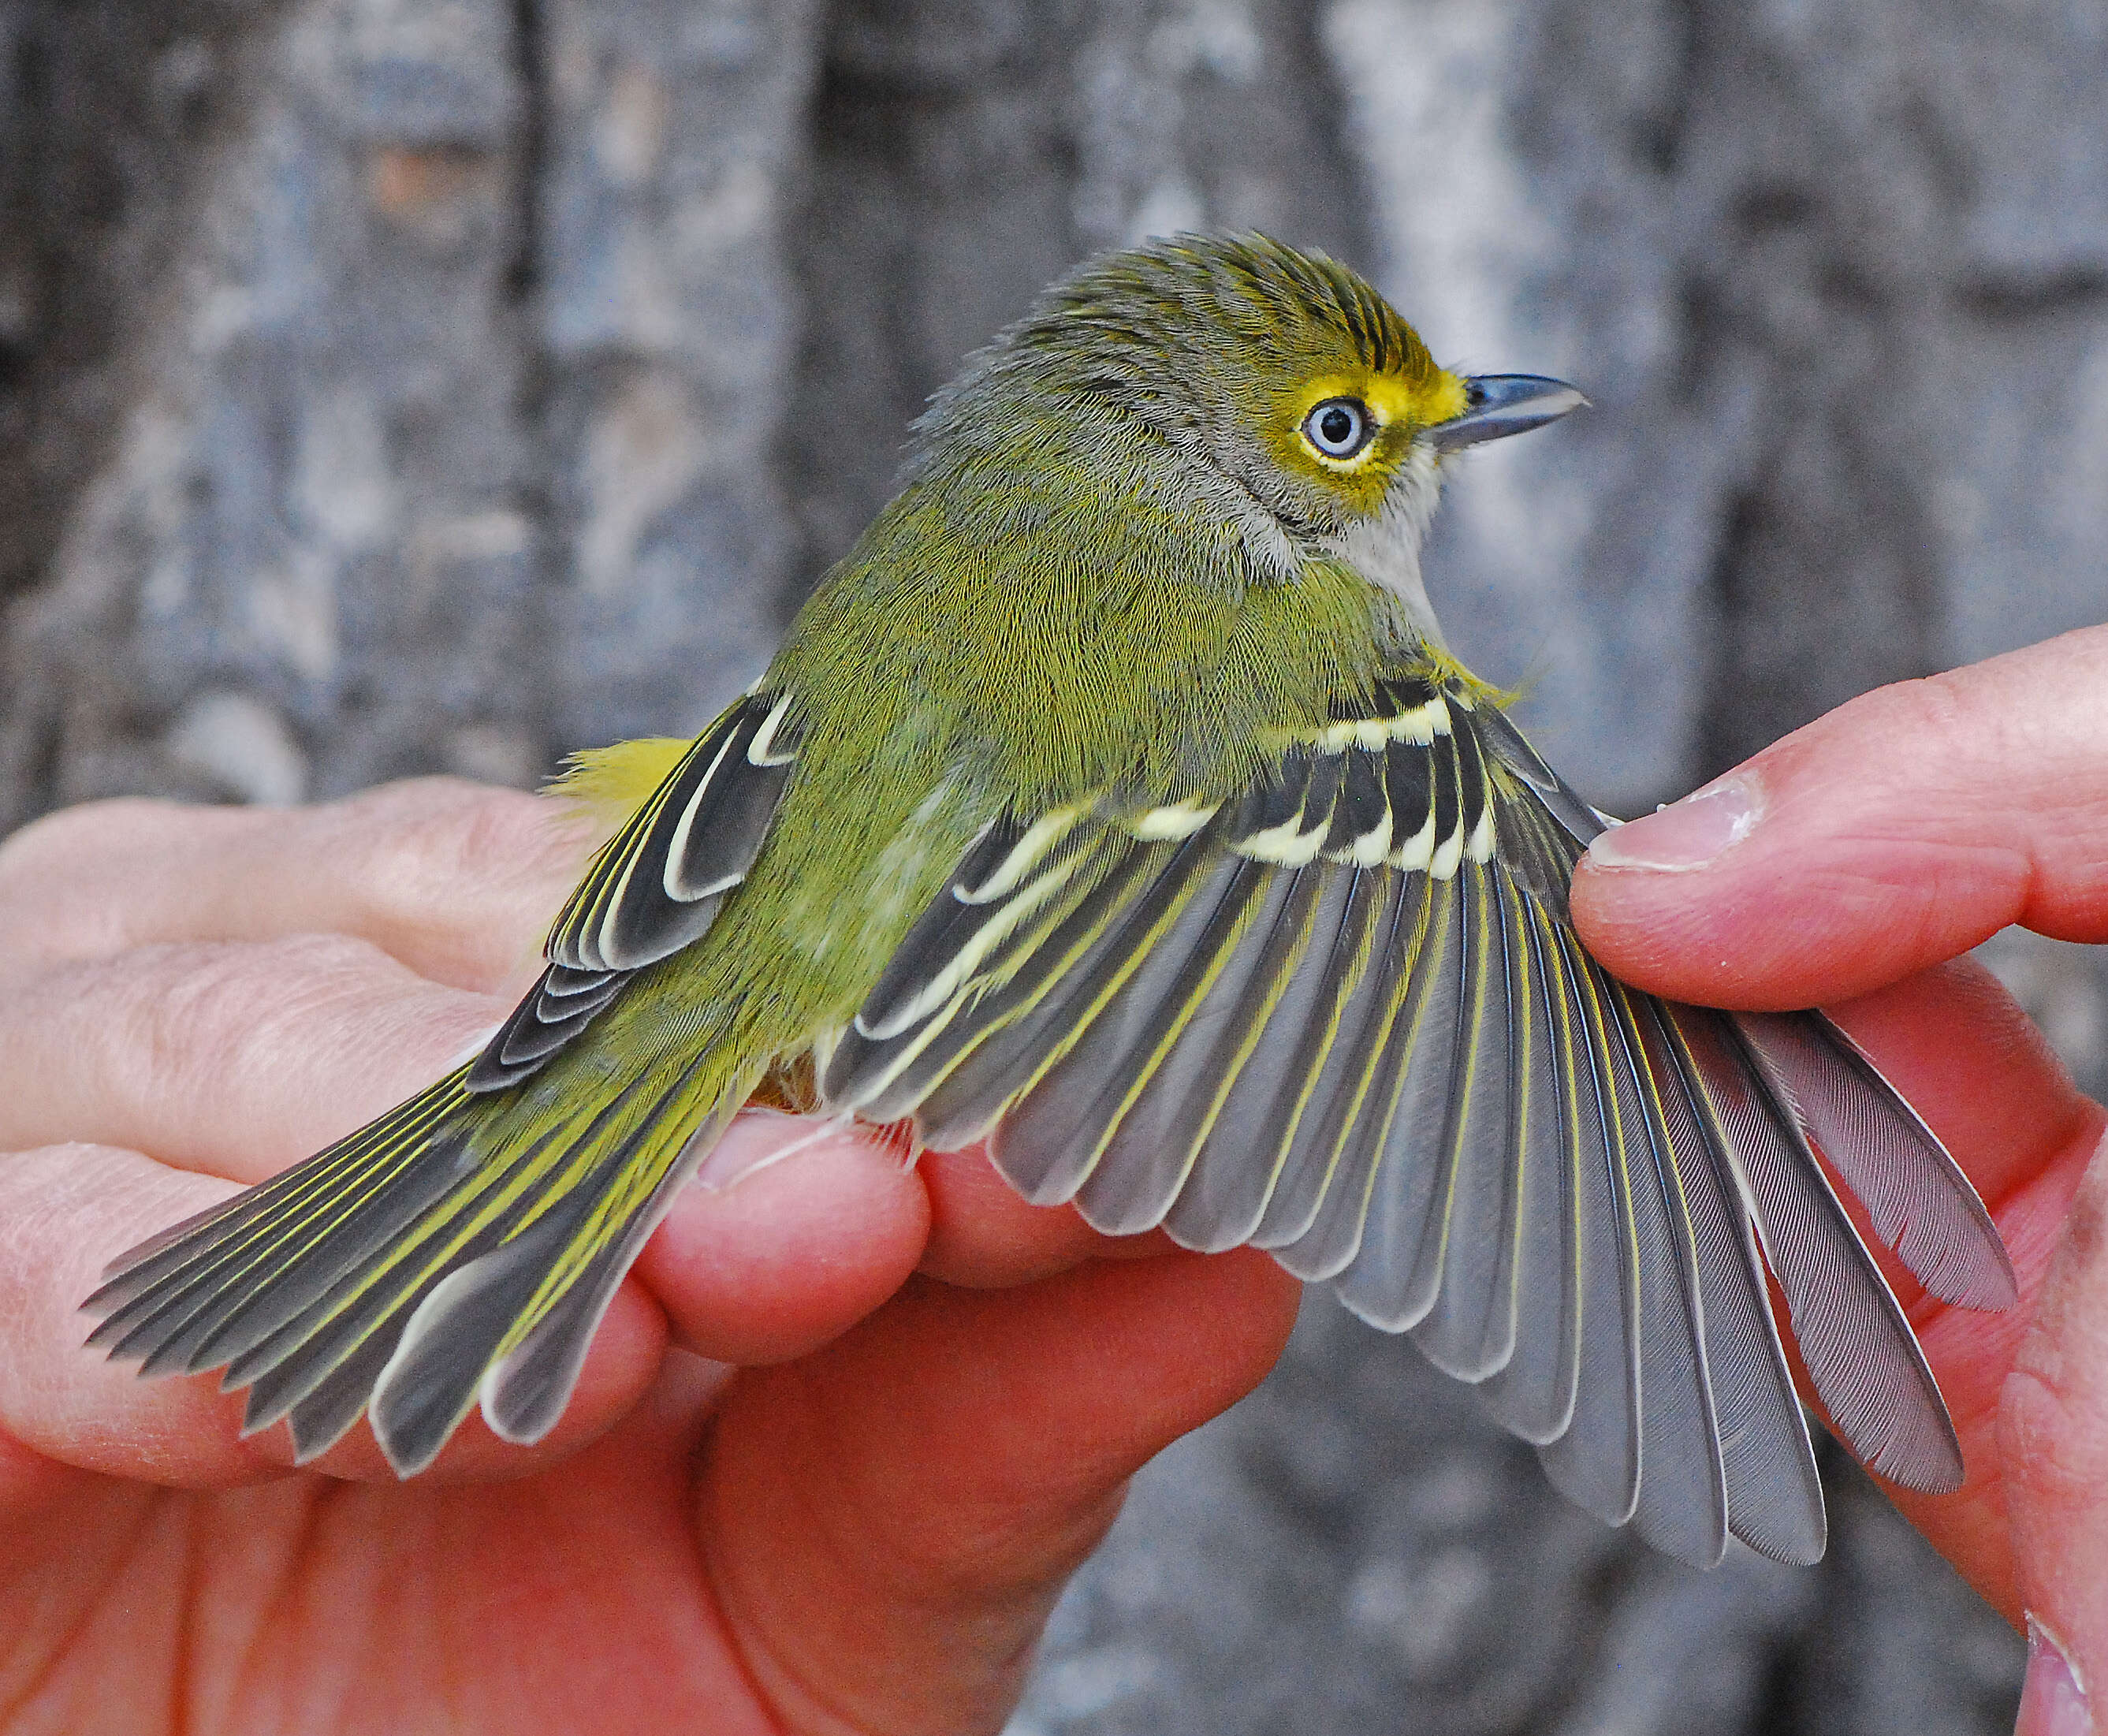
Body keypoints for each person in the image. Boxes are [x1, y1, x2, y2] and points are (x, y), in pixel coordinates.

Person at [0, 626, 2099, 1736]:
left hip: (687, 916)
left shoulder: (948, 568)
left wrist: (599, 1018)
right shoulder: (1357, 698)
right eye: (1361, 436)